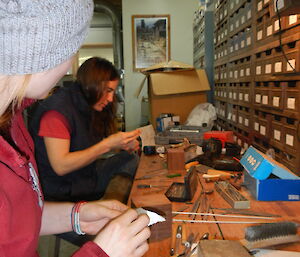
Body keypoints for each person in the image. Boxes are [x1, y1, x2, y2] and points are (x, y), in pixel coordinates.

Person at [0, 1, 150, 257]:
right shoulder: (56, 110)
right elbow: (60, 165)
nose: (70, 66)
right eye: (70, 49)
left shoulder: (11, 120)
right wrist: (102, 253)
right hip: (66, 186)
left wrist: (77, 216)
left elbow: (16, 222)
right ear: (39, 48)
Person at [29, 57, 140, 203]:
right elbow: (61, 166)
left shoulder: (87, 104)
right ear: (92, 85)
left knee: (130, 159)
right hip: (64, 189)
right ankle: (107, 206)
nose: (111, 98)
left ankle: (111, 201)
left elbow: (89, 146)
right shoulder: (56, 112)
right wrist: (108, 144)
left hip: (85, 174)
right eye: (108, 91)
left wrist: (122, 144)